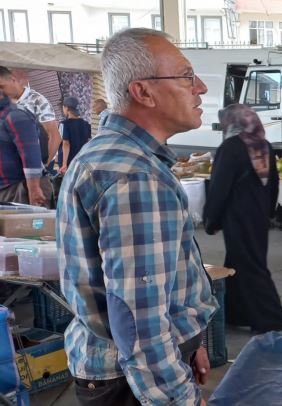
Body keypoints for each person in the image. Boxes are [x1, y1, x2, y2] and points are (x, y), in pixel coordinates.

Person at [57, 28, 217, 406]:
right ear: (143, 92)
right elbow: (139, 325)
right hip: (131, 380)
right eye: (186, 76)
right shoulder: (135, 176)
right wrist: (180, 399)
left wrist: (189, 342)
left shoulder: (112, 154)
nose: (201, 88)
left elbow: (152, 288)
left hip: (121, 367)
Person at [203, 104, 282, 333]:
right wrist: (270, 211)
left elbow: (219, 187)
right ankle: (236, 312)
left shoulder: (231, 147)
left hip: (238, 217)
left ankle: (272, 317)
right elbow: (274, 183)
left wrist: (210, 219)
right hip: (258, 216)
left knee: (251, 265)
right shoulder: (263, 145)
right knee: (238, 263)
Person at [0, 66, 62, 166]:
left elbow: (55, 137)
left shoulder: (37, 101)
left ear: (13, 80)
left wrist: (43, 166)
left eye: (2, 87)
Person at [0, 88, 49, 206]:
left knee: (22, 224)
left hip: (19, 189)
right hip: (7, 189)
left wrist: (34, 189)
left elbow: (29, 151)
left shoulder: (14, 114)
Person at [58, 97, 92, 175]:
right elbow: (88, 142)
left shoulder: (64, 124)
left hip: (69, 161)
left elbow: (66, 144)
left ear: (66, 108)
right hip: (82, 161)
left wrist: (64, 164)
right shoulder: (86, 124)